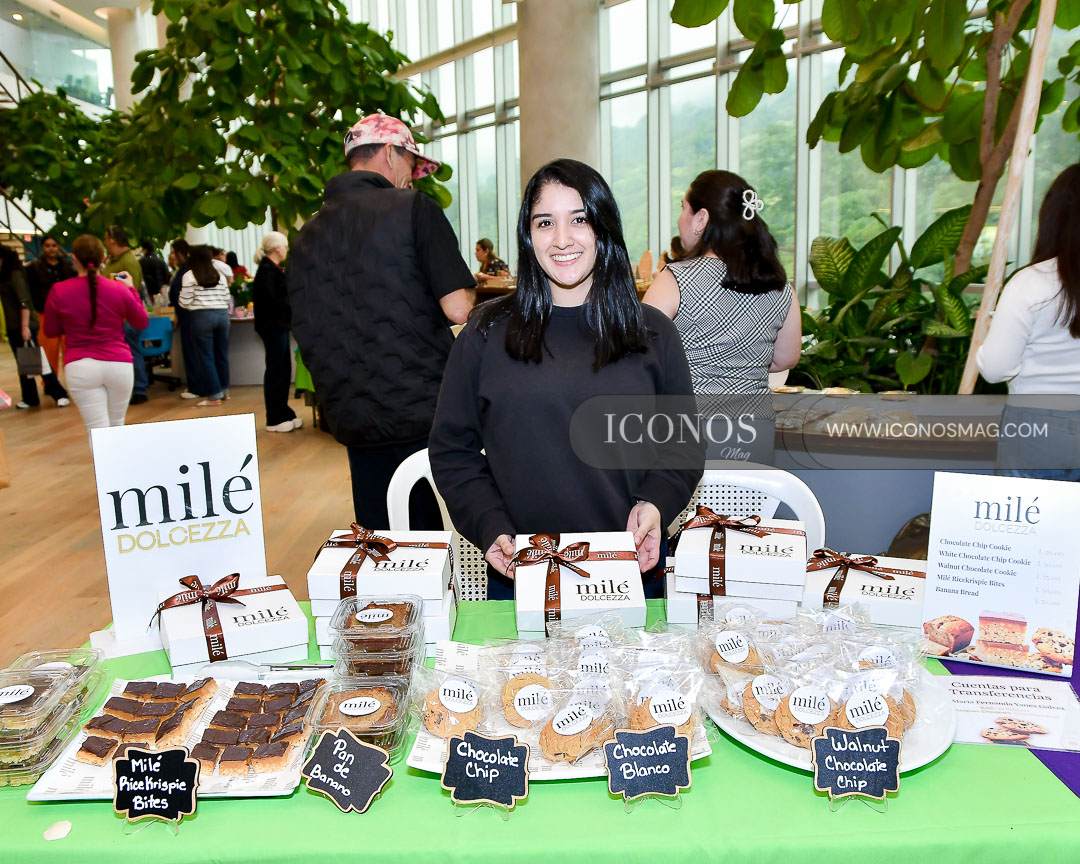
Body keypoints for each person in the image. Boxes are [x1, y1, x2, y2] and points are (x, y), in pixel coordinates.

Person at [429, 158, 704, 600]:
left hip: (630, 569)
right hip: (522, 571)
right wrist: (489, 523)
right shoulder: (486, 332)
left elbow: (682, 443)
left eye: (579, 219)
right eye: (545, 222)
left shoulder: (653, 332)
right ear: (528, 235)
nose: (561, 239)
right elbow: (451, 450)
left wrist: (656, 502)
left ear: (603, 227)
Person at [288, 112, 476, 530]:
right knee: (432, 536)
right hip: (421, 409)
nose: (412, 177)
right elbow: (459, 308)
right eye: (411, 163)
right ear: (390, 153)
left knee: (380, 535)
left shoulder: (306, 235)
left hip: (350, 414)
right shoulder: (413, 209)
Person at [643, 171, 801, 463]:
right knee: (749, 496)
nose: (680, 219)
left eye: (683, 208)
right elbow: (785, 359)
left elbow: (640, 354)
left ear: (701, 219)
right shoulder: (780, 285)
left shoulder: (675, 279)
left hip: (685, 433)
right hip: (755, 432)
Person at [977, 163, 1080, 479]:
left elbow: (995, 369)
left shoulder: (1031, 283)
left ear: (1053, 217)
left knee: (1028, 510)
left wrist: (991, 328)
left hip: (1037, 428)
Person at [43, 235, 148, 434]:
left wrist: (71, 323)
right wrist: (131, 289)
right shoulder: (119, 289)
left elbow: (50, 331)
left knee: (97, 432)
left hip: (80, 366)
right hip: (119, 364)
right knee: (117, 427)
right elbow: (141, 322)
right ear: (104, 258)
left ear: (74, 258)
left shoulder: (59, 290)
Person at [1, 245, 70, 409]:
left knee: (36, 360)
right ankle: (30, 397)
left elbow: (24, 301)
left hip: (23, 324)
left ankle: (59, 393)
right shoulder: (5, 276)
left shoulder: (14, 275)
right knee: (24, 362)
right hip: (15, 325)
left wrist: (25, 326)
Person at [252, 231, 300, 432]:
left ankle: (283, 410)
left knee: (283, 368)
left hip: (279, 326)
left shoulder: (272, 270)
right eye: (284, 246)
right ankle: (274, 417)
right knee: (276, 370)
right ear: (277, 248)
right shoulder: (266, 272)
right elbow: (273, 301)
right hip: (272, 326)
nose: (286, 249)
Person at [178, 245, 232, 407]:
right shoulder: (219, 275)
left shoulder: (189, 276)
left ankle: (214, 396)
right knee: (221, 354)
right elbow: (227, 297)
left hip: (201, 317)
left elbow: (184, 301)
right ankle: (225, 391)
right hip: (222, 316)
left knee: (205, 357)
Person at [102, 226, 149, 405]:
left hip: (125, 317)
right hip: (116, 316)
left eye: (106, 238)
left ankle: (139, 388)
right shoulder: (114, 261)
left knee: (131, 351)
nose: (105, 242)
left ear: (112, 240)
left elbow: (131, 290)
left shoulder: (127, 262)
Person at [26, 235, 76, 376]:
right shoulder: (33, 267)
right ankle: (49, 383)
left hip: (66, 314)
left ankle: (73, 378)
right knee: (48, 351)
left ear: (58, 247)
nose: (51, 249)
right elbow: (30, 291)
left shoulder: (68, 266)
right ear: (42, 248)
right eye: (47, 246)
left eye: (54, 245)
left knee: (69, 350)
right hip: (44, 313)